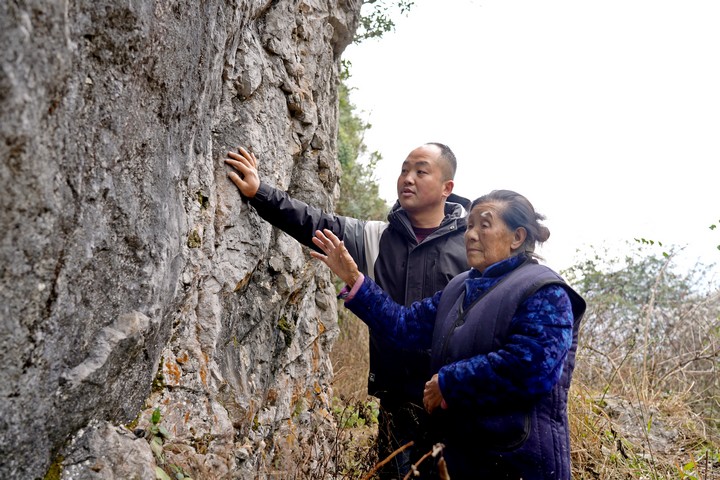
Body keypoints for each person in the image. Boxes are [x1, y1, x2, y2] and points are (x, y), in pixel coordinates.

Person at [225, 143, 471, 478]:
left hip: (454, 405)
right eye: (403, 169)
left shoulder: (472, 249)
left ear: (447, 188)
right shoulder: (375, 237)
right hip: (396, 404)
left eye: (421, 171)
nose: (407, 179)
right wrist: (260, 193)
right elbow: (315, 223)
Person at [310, 189, 587, 480]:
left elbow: (530, 367)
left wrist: (449, 380)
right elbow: (404, 327)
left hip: (517, 461)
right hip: (460, 458)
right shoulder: (460, 288)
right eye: (469, 225)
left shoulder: (544, 290)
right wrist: (356, 280)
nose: (471, 234)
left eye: (485, 224)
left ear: (517, 237)